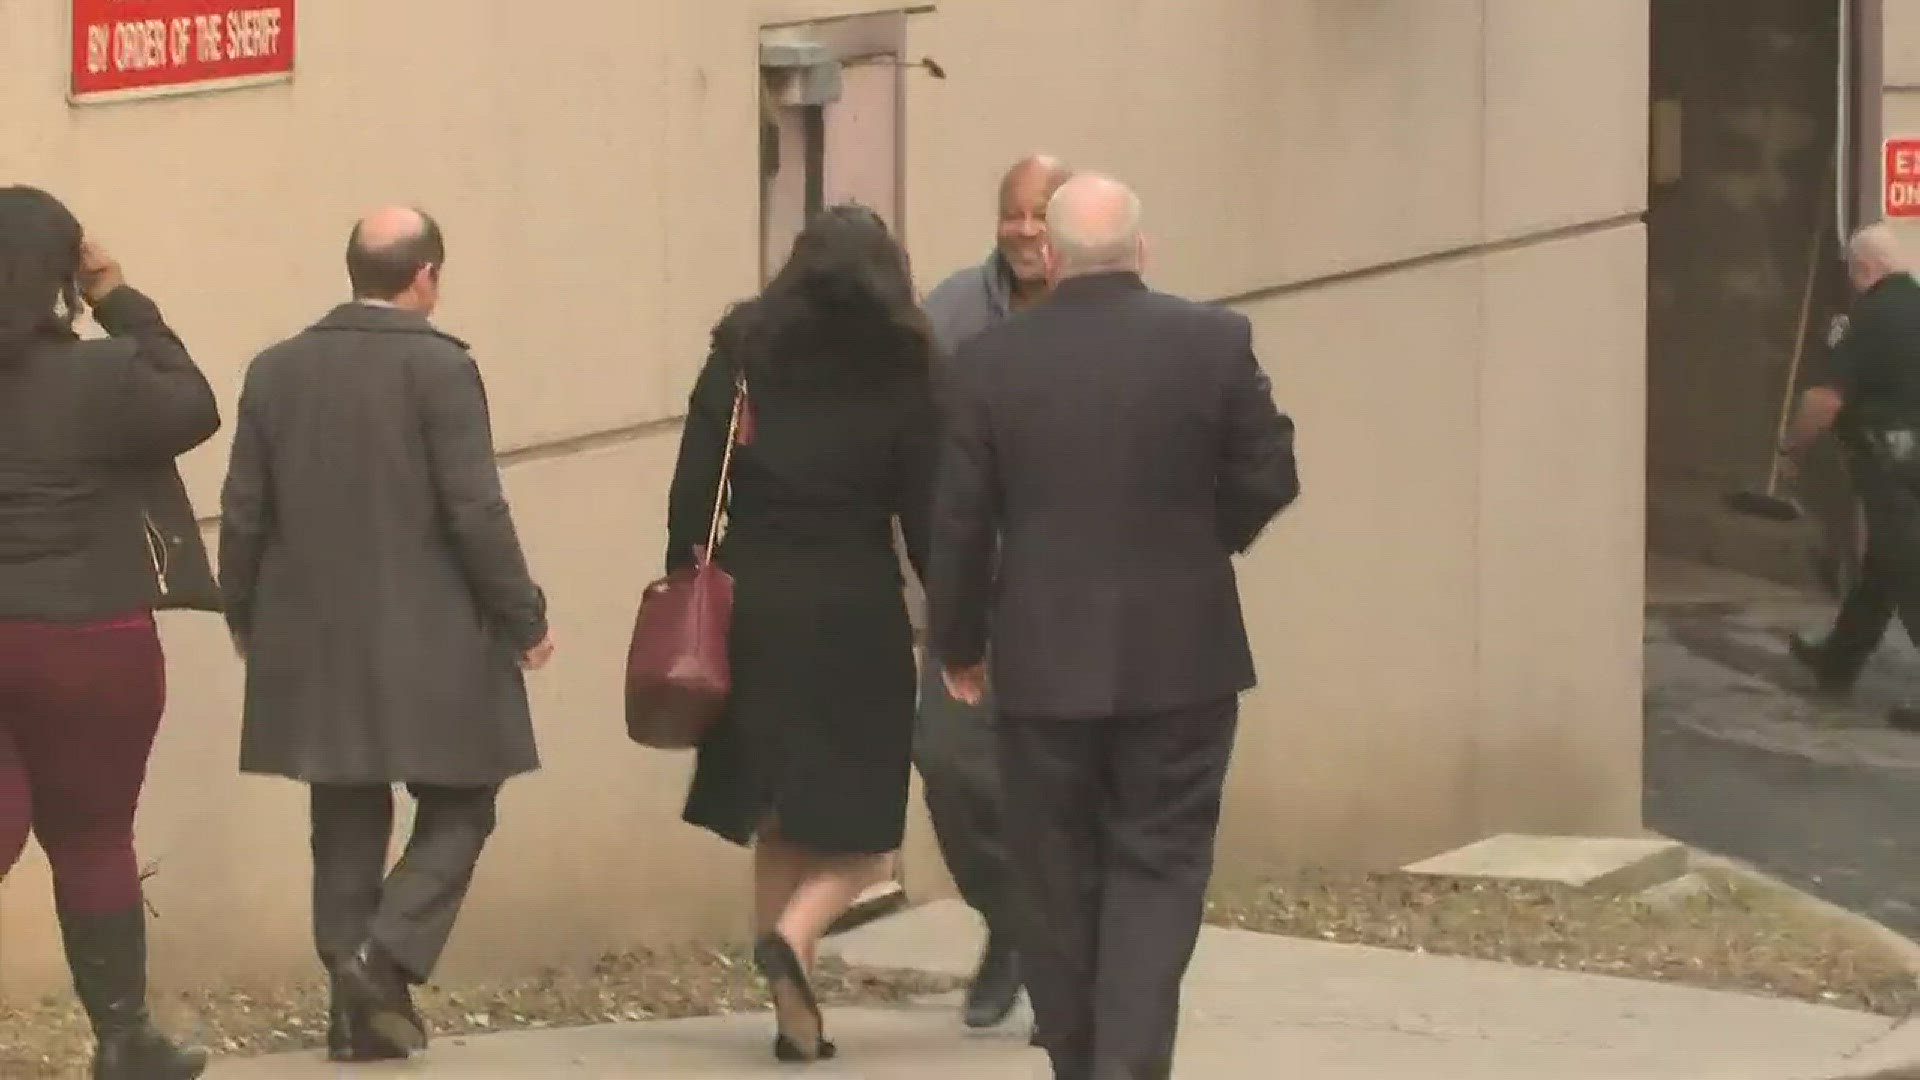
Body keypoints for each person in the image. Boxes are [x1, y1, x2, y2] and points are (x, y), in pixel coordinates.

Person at [928, 174, 1299, 1080]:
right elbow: (1270, 471)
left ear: (1048, 257)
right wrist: (1202, 543)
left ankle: (1082, 1060)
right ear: (1143, 250)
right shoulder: (1213, 342)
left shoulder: (991, 363)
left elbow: (961, 520)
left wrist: (960, 644)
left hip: (1045, 660)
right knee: (1158, 869)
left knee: (1053, 878)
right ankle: (1127, 1064)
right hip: (1185, 658)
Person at [219, 207, 554, 1063]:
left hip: (312, 635)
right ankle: (383, 953)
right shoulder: (441, 371)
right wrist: (524, 617)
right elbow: (474, 508)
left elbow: (245, 512)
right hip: (434, 631)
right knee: (466, 797)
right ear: (426, 276)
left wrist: (244, 614)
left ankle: (352, 1006)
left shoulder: (275, 370)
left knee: (342, 809)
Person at [667, 203, 934, 1064]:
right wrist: (962, 621)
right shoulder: (908, 367)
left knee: (778, 813)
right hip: (854, 604)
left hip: (754, 601)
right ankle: (799, 929)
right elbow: (928, 513)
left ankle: (793, 1016)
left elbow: (692, 492)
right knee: (869, 834)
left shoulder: (743, 353)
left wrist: (690, 577)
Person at [0, 187, 220, 1079]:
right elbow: (195, 404)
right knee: (92, 836)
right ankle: (125, 1041)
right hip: (92, 641)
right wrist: (116, 294)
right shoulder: (106, 372)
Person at [917, 151, 1072, 1029]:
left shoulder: (1103, 314)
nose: (1023, 229)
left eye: (1040, 214)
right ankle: (1012, 921)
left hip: (1075, 591)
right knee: (946, 759)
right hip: (968, 586)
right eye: (1012, 213)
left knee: (1059, 780)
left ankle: (1056, 962)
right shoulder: (953, 311)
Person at [1783, 223, 1920, 729]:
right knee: (1884, 568)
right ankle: (1838, 659)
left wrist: (1791, 448)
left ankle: (1838, 659)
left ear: (1864, 268)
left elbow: (1825, 399)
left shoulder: (1872, 317)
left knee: (1907, 566)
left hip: (1890, 460)